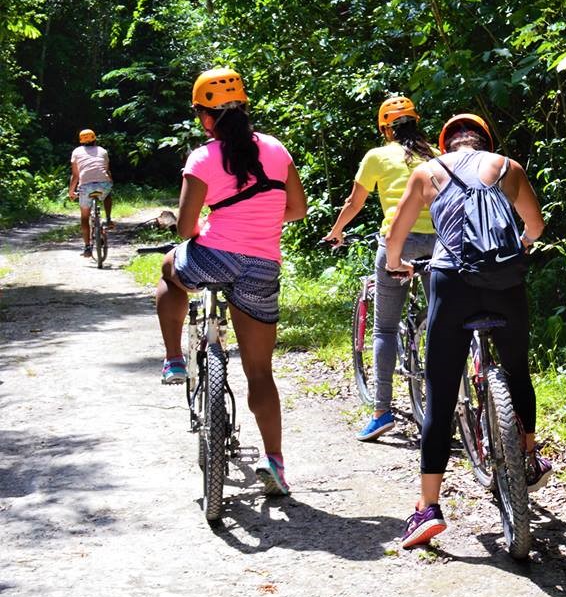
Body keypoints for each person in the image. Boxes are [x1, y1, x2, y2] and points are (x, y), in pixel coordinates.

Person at [385, 112, 552, 548]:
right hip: (505, 281)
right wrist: (521, 246)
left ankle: (427, 508)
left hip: (451, 281)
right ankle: (528, 459)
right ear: (484, 142)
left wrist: (394, 265)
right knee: (517, 372)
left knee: (440, 395)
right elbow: (534, 226)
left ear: (447, 144)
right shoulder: (507, 167)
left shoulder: (427, 171)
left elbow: (396, 236)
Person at [154, 67, 308, 496]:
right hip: (262, 265)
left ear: (205, 116)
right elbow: (296, 209)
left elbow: (185, 230)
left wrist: (210, 222)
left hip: (213, 259)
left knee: (170, 267)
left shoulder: (202, 157)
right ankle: (274, 461)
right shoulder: (276, 149)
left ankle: (173, 360)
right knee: (260, 371)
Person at [324, 96, 437, 440]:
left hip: (398, 243)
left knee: (385, 330)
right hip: (440, 244)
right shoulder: (437, 155)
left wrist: (336, 231)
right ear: (416, 122)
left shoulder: (377, 156)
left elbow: (354, 202)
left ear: (385, 128)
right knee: (441, 324)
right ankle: (445, 406)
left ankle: (382, 412)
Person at [69, 129, 114, 257]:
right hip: (103, 184)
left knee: (84, 217)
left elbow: (75, 175)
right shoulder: (103, 151)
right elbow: (106, 170)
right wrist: (110, 183)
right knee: (107, 194)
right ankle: (109, 219)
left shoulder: (76, 152)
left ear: (81, 141)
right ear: (95, 139)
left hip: (86, 186)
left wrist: (71, 191)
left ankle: (87, 247)